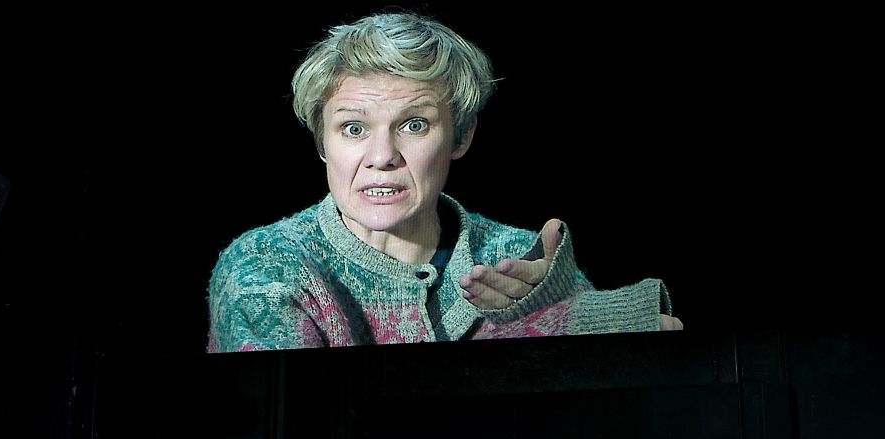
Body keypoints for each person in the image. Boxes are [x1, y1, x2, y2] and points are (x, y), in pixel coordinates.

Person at [207, 12, 680, 351]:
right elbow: (298, 434)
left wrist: (562, 309)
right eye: (353, 128)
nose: (382, 157)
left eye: (414, 124)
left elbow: (628, 408)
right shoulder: (267, 265)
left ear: (461, 135)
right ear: (322, 142)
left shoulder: (516, 261)